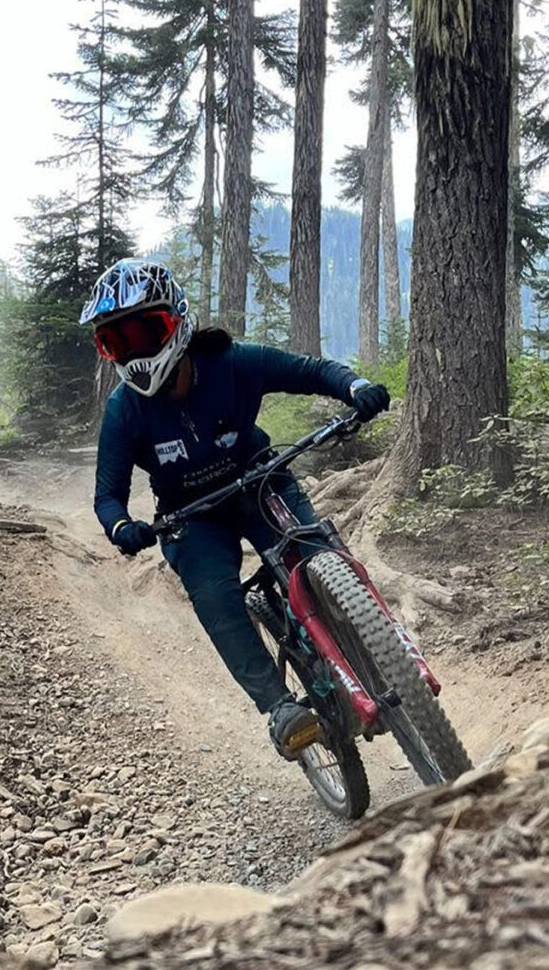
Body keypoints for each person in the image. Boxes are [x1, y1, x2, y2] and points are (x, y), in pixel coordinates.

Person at [82, 258, 390, 759]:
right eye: (118, 342)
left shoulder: (231, 362)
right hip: (191, 514)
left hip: (258, 480)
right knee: (216, 599)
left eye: (145, 331)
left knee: (316, 558)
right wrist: (121, 527)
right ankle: (279, 707)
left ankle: (378, 653)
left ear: (176, 321)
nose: (135, 352)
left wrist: (354, 388)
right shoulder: (125, 410)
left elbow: (310, 372)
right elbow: (107, 494)